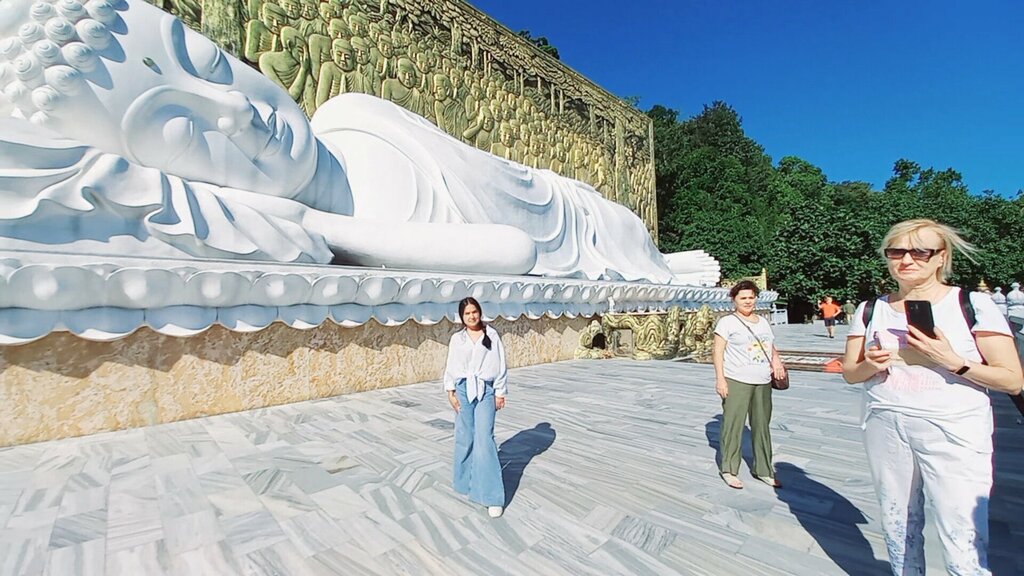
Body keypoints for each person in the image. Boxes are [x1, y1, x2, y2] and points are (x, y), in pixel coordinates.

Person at [0, 0, 708, 284]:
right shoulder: (348, 228)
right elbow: (511, 252)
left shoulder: (350, 111)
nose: (237, 111)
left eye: (211, 64)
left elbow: (511, 198)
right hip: (552, 240)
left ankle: (660, 262)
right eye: (182, 128)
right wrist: (314, 226)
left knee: (614, 224)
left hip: (565, 207)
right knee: (613, 238)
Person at [842, 219, 1023, 575]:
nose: (906, 260)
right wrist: (870, 363)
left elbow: (1013, 380)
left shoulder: (972, 304)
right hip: (886, 423)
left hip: (954, 429)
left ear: (941, 257)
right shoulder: (870, 309)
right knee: (898, 527)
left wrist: (954, 362)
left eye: (920, 251)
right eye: (896, 251)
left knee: (962, 535)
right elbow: (850, 372)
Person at [713, 280, 787, 489]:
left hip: (762, 380)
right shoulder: (727, 322)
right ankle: (729, 468)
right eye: (743, 298)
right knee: (733, 425)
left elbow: (770, 345)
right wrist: (720, 379)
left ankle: (763, 469)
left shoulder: (762, 322)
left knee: (762, 425)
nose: (748, 301)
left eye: (751, 297)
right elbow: (718, 351)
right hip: (736, 379)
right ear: (734, 300)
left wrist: (777, 361)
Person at [443, 297, 508, 518]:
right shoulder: (457, 339)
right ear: (461, 317)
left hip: (486, 390)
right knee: (465, 436)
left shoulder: (491, 335)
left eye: (474, 312)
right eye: (467, 313)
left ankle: (491, 496)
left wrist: (500, 391)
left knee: (484, 439)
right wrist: (450, 391)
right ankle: (465, 482)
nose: (472, 316)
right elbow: (451, 365)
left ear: (480, 312)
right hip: (463, 389)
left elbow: (500, 365)